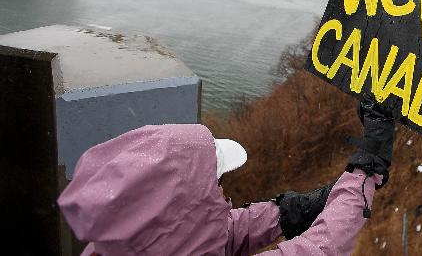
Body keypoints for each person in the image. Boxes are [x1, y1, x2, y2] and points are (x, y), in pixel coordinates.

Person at [57, 98, 395, 255]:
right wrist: (367, 165)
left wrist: (287, 212)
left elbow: (206, 237)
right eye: (216, 184)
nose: (221, 192)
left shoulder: (116, 245)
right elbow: (322, 246)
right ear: (183, 213)